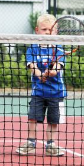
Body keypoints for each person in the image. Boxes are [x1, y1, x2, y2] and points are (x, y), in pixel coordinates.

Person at [16, 13, 66, 156]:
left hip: (56, 92)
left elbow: (57, 68)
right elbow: (32, 66)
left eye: (51, 30)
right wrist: (39, 73)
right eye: (44, 29)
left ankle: (51, 145)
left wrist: (51, 73)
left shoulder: (59, 48)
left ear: (55, 31)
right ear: (37, 30)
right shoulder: (33, 48)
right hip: (38, 92)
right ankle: (31, 143)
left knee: (53, 120)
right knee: (33, 117)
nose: (47, 32)